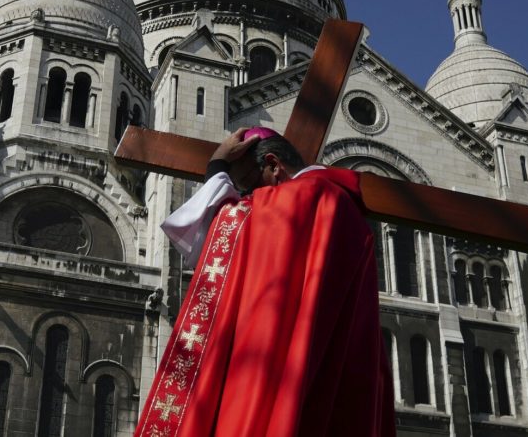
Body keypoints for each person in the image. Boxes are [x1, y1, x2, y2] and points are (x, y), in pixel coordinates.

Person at [136, 127, 395, 437]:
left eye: (248, 187)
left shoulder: (301, 198)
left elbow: (214, 232)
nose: (246, 198)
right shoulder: (349, 213)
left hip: (270, 386)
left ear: (274, 166)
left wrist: (217, 166)